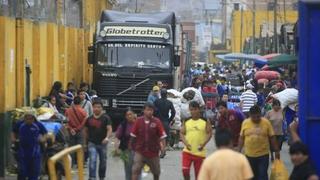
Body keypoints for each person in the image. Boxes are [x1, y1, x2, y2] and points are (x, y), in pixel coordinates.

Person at [238, 105, 280, 180]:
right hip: (249, 155)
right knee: (250, 175)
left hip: (263, 155)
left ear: (261, 114)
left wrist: (276, 150)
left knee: (262, 175)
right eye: (254, 117)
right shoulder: (245, 123)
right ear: (250, 115)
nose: (256, 119)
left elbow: (272, 137)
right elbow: (241, 137)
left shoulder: (266, 122)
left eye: (258, 116)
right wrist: (239, 150)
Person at [130, 103, 167, 180]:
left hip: (153, 152)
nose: (149, 112)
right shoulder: (138, 121)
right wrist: (130, 147)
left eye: (151, 110)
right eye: (147, 110)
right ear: (144, 111)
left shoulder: (157, 122)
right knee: (135, 170)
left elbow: (162, 136)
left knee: (156, 173)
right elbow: (133, 136)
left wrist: (163, 148)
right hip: (140, 151)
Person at [180, 101, 212, 180]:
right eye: (191, 110)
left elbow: (209, 133)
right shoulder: (186, 120)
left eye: (195, 109)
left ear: (199, 109)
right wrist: (186, 143)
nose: (193, 111)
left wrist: (203, 144)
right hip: (187, 151)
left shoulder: (205, 121)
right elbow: (181, 133)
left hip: (199, 153)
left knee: (199, 175)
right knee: (185, 171)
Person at [12, 109, 48, 180]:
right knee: (22, 172)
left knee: (34, 172)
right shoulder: (20, 124)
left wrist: (43, 139)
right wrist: (14, 140)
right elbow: (13, 131)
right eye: (27, 118)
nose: (28, 120)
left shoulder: (38, 124)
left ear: (34, 118)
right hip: (22, 153)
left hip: (35, 153)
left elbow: (45, 134)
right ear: (24, 118)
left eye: (30, 118)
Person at [85, 99, 112, 180]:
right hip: (92, 143)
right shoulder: (89, 119)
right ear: (92, 108)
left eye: (98, 107)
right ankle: (92, 177)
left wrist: (107, 138)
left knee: (103, 162)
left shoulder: (106, 118)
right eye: (95, 107)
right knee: (92, 160)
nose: (96, 108)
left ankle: (101, 177)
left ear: (102, 108)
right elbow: (85, 131)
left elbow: (109, 129)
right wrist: (85, 142)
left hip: (103, 144)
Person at [115, 109, 140, 180]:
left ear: (134, 115)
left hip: (138, 151)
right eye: (127, 115)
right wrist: (116, 149)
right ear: (125, 116)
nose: (129, 116)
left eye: (130, 114)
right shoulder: (123, 125)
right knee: (128, 171)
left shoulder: (139, 124)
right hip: (127, 151)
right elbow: (117, 137)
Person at [65, 96, 88, 165]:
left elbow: (66, 122)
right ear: (81, 102)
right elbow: (84, 123)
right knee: (80, 148)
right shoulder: (83, 112)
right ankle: (80, 163)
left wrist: (71, 129)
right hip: (80, 131)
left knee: (71, 147)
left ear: (73, 102)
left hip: (70, 131)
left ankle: (71, 163)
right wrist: (77, 129)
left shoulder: (68, 111)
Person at [154, 89, 176, 156]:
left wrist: (154, 118)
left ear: (160, 94)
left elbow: (154, 111)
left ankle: (161, 150)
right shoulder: (169, 102)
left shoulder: (156, 101)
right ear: (166, 94)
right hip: (166, 122)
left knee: (157, 137)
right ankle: (164, 150)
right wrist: (170, 119)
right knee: (165, 137)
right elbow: (173, 112)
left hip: (158, 121)